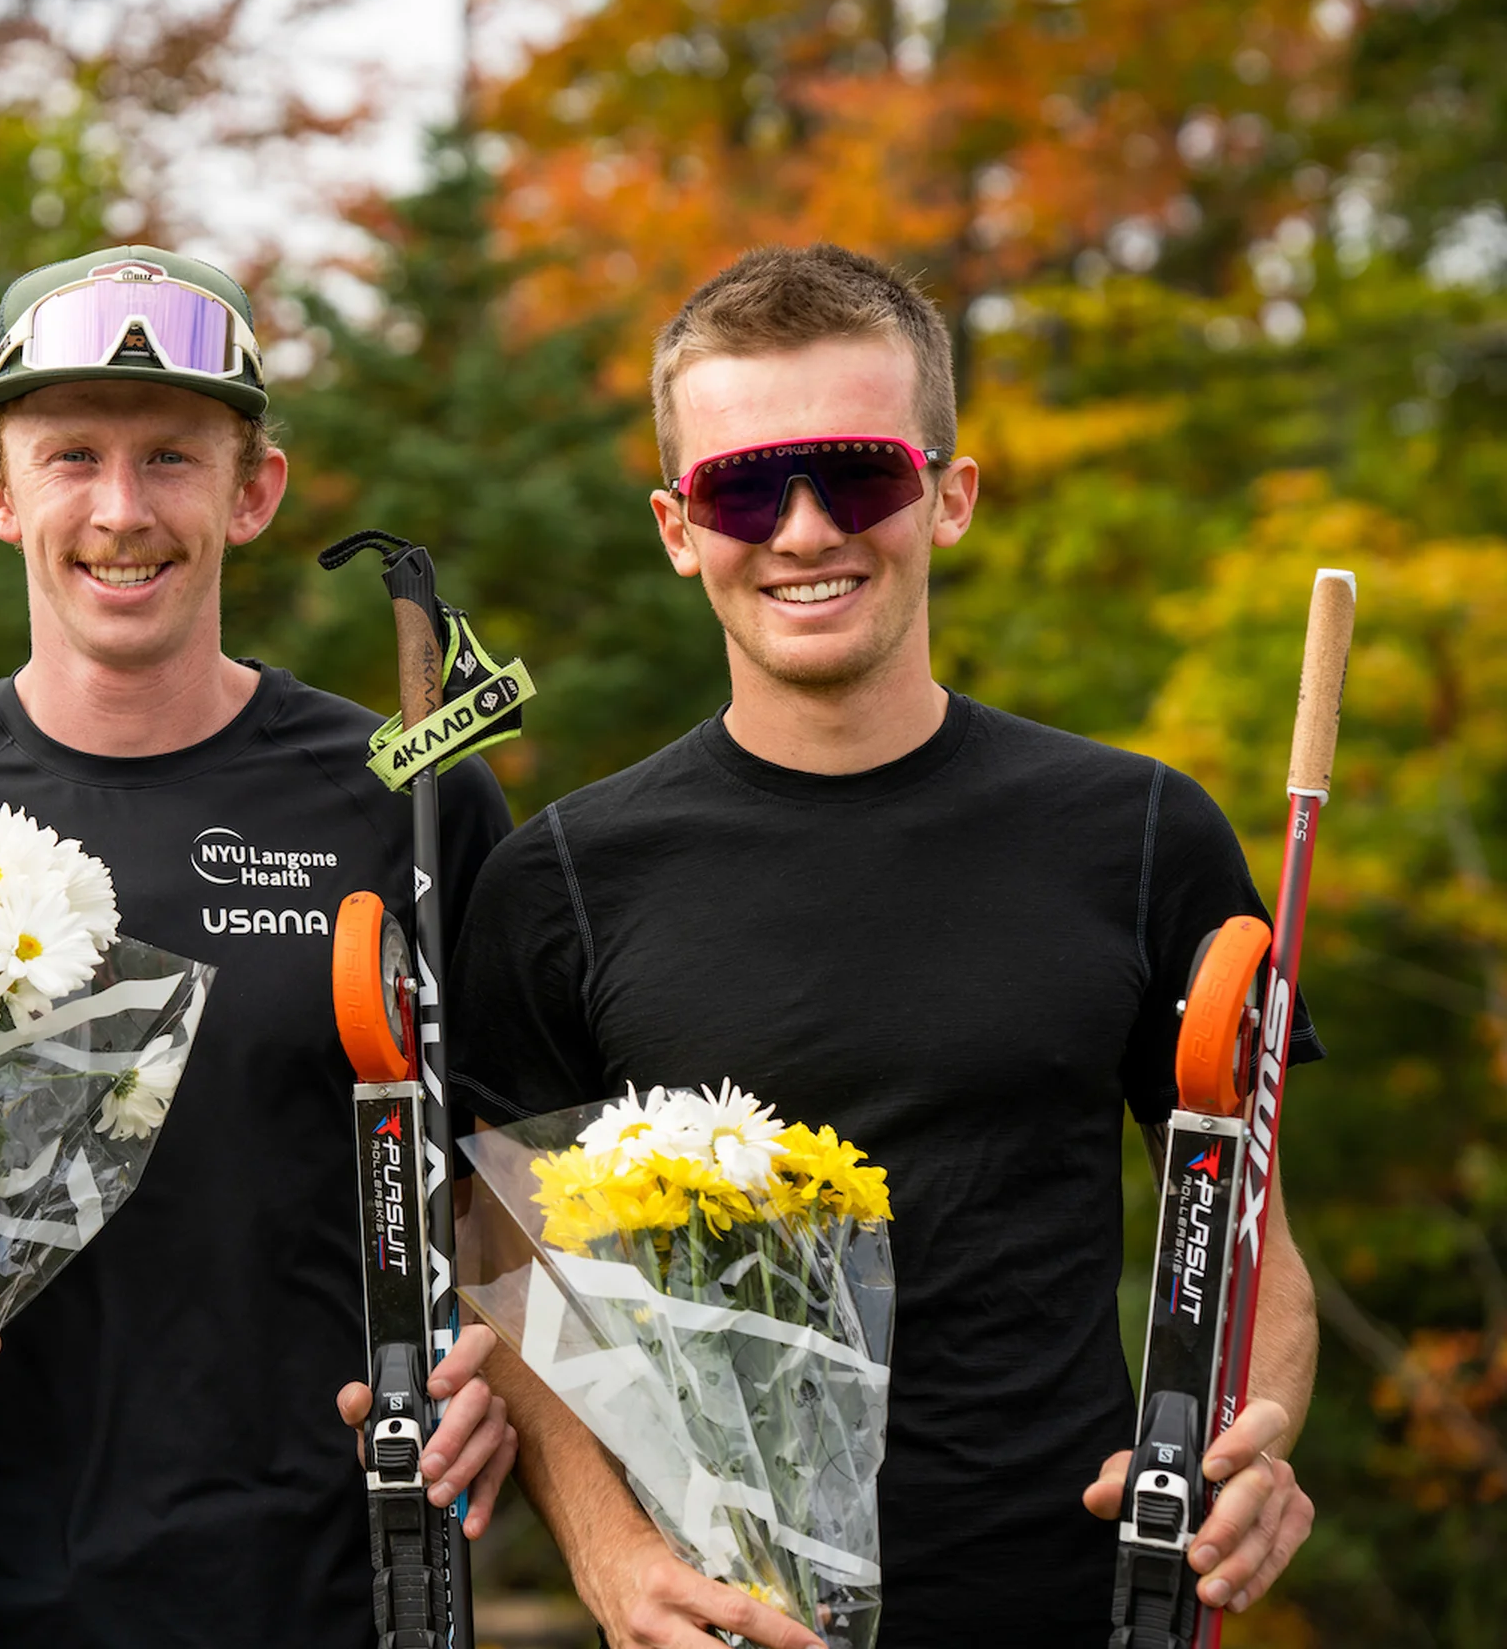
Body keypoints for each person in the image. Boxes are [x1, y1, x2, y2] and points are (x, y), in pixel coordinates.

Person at [448, 244, 1321, 1649]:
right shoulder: (560, 878)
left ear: (948, 494)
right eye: (742, 486)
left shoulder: (1144, 831)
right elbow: (501, 1248)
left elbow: (1250, 1225)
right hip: (731, 1626)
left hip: (1082, 1606)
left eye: (857, 475)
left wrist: (1257, 1434)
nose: (801, 533)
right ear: (679, 526)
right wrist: (609, 1559)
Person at [0, 246, 519, 1647]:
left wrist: (493, 1371)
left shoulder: (405, 795)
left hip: (339, 1596)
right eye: (71, 455)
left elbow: (495, 1184)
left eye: (172, 457)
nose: (120, 509)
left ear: (253, 489)